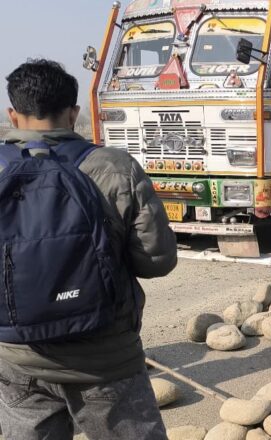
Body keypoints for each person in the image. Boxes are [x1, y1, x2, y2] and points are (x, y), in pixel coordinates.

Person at [0, 59, 177, 439]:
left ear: (12, 113)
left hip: (17, 358)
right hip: (105, 359)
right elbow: (157, 260)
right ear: (73, 112)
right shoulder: (114, 167)